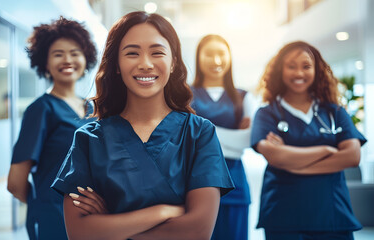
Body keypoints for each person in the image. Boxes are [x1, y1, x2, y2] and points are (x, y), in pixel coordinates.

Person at [51, 11, 234, 240]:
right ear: (117, 64)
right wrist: (162, 211)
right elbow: (80, 233)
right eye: (132, 53)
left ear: (173, 62)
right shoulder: (88, 139)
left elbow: (197, 232)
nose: (145, 64)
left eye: (157, 52)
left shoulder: (199, 133)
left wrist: (112, 225)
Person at [251, 41, 367, 240]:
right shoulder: (267, 113)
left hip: (332, 215)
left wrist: (295, 164)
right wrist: (325, 150)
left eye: (306, 66)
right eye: (291, 66)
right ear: (280, 70)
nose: (299, 73)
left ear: (317, 71)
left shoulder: (335, 112)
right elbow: (275, 156)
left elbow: (352, 156)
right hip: (283, 217)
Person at [7, 17, 97, 240]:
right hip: (54, 221)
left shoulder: (91, 108)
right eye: (58, 54)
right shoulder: (41, 109)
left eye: (75, 53)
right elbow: (15, 183)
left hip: (92, 218)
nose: (68, 59)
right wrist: (47, 204)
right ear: (45, 63)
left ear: (86, 58)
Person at [191, 34, 256, 240]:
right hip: (195, 184)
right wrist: (232, 137)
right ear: (198, 57)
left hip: (234, 183)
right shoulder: (185, 94)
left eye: (221, 54)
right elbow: (183, 141)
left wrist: (200, 132)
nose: (216, 61)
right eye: (209, 54)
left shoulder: (244, 96)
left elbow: (247, 141)